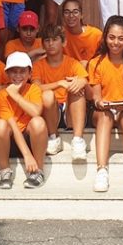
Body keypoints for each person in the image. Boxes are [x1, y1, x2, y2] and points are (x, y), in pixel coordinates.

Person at [88, 16, 123, 193]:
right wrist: (102, 103)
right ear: (105, 37)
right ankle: (101, 170)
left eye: (121, 38)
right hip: (103, 110)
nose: (116, 42)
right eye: (112, 37)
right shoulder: (96, 63)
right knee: (105, 117)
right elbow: (96, 98)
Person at [0, 52, 49, 189]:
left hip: (31, 140)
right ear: (7, 74)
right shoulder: (1, 95)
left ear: (30, 74)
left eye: (22, 71)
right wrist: (27, 155)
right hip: (9, 141)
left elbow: (35, 112)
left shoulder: (34, 89)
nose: (18, 76)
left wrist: (15, 95)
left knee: (38, 122)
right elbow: (12, 125)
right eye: (13, 72)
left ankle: (38, 171)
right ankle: (5, 170)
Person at [32, 25, 89, 158]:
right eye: (47, 40)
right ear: (43, 45)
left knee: (77, 87)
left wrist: (79, 82)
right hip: (51, 112)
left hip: (71, 111)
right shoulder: (38, 66)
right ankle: (53, 137)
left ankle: (78, 140)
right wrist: (58, 84)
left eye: (55, 39)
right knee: (47, 95)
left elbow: (84, 80)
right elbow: (35, 87)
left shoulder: (72, 63)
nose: (51, 43)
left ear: (63, 42)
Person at [61, 0, 102, 69]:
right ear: (63, 16)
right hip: (69, 73)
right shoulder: (60, 34)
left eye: (75, 12)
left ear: (81, 15)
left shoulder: (95, 34)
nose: (71, 16)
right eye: (67, 12)